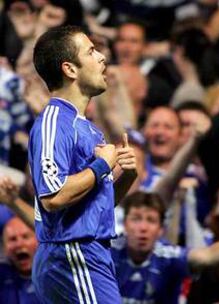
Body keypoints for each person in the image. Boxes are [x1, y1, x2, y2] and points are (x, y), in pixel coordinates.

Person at [29, 25, 138, 303]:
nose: (102, 58)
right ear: (70, 69)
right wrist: (102, 165)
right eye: (91, 51)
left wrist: (126, 175)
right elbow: (53, 197)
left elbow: (94, 205)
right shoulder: (54, 122)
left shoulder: (88, 129)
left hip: (89, 251)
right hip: (73, 252)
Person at [111, 191, 219, 304]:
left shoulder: (167, 256)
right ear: (124, 224)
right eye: (136, 219)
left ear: (161, 230)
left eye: (151, 220)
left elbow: (208, 256)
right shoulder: (108, 252)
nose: (143, 227)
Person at [0, 217, 39, 303]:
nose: (19, 244)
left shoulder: (54, 273)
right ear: (4, 248)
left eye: (25, 237)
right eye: (12, 239)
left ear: (39, 241)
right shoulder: (2, 275)